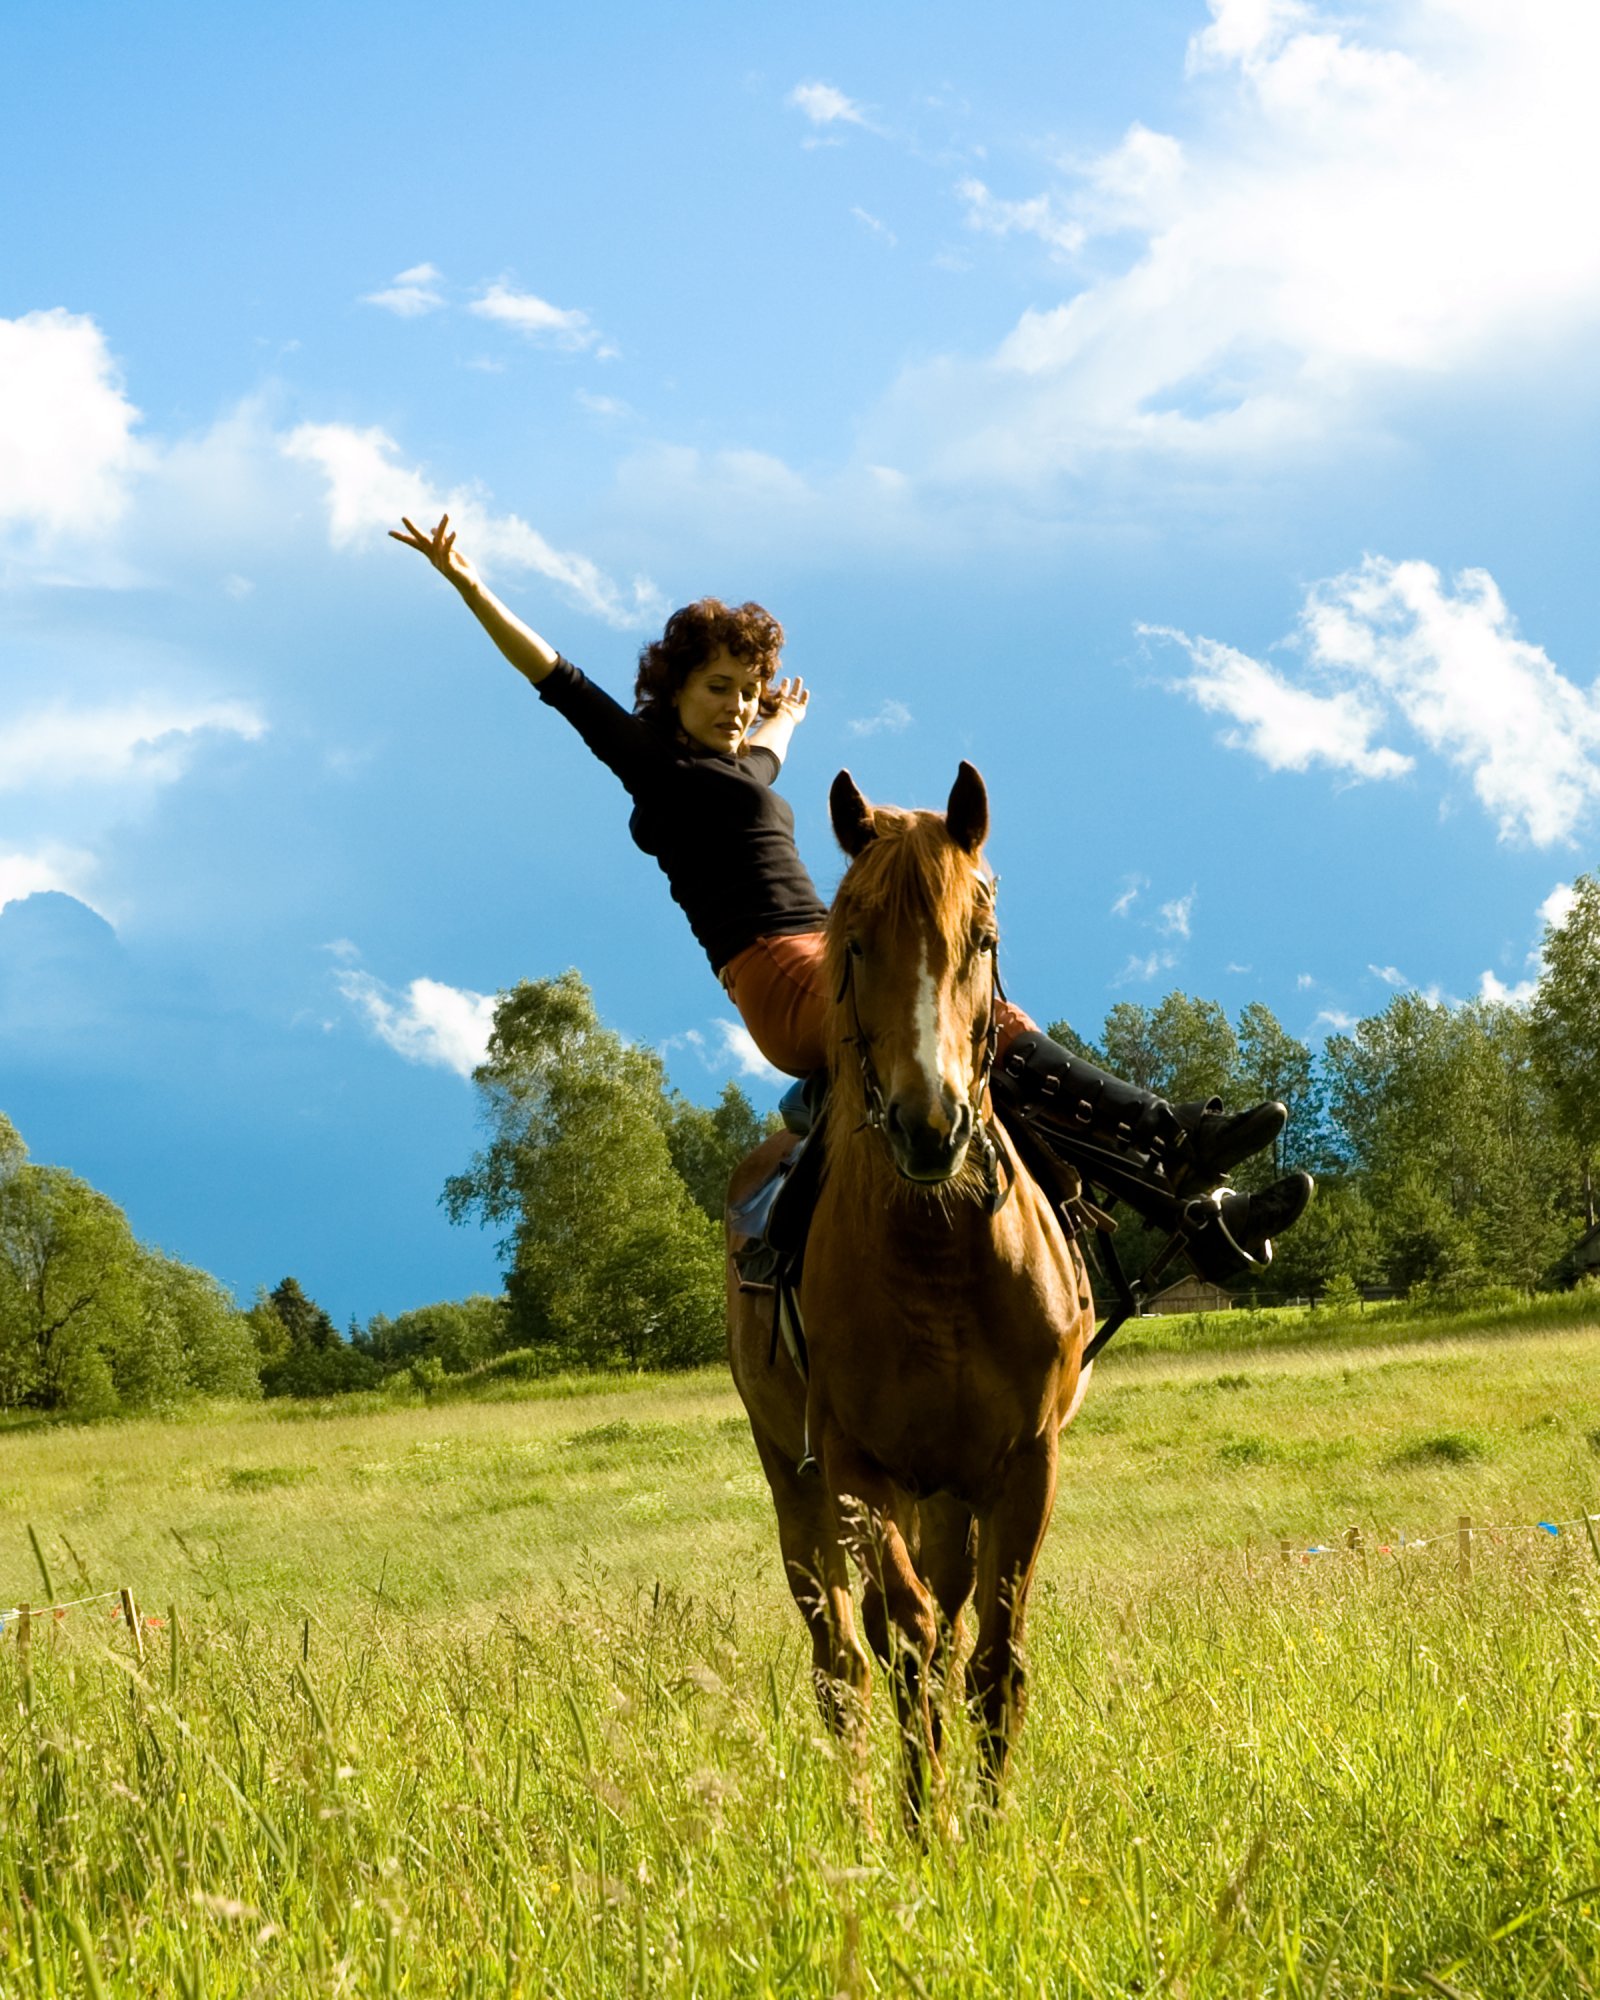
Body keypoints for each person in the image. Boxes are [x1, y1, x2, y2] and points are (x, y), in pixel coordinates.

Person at [392, 514, 1311, 1277]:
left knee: (979, 1017)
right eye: (719, 689)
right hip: (776, 971)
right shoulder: (654, 766)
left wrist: (782, 714)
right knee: (945, 1013)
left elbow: (764, 759)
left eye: (746, 693)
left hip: (840, 942)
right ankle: (1170, 1135)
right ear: (672, 692)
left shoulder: (743, 764)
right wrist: (470, 585)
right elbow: (560, 681)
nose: (737, 707)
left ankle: (1192, 1202)